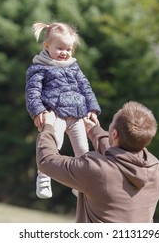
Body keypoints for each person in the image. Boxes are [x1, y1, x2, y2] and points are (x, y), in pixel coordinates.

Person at [36, 101, 159, 222]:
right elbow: (119, 157)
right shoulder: (154, 167)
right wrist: (94, 130)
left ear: (114, 134)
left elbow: (46, 161)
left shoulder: (95, 169)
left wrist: (48, 126)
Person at [25, 21, 101, 199]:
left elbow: (86, 88)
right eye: (60, 48)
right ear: (47, 46)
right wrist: (38, 111)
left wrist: (93, 109)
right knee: (52, 145)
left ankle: (79, 183)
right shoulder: (39, 68)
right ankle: (43, 178)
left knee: (83, 150)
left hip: (77, 115)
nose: (64, 53)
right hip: (55, 114)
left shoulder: (74, 67)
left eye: (68, 50)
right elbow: (32, 92)